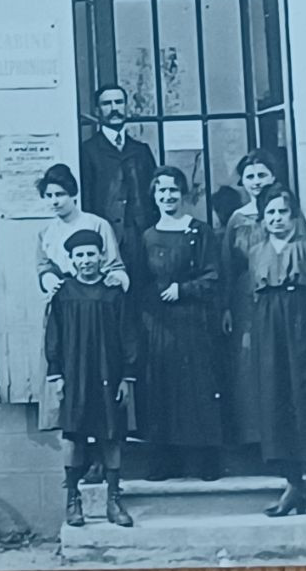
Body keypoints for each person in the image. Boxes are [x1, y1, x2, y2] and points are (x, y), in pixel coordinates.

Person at [245, 184, 306, 519]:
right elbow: (252, 298)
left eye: (282, 212)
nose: (276, 218)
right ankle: (293, 484)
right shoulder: (256, 252)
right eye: (269, 212)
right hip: (269, 330)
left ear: (294, 215)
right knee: (276, 400)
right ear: (262, 218)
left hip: (305, 328)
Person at [136, 165, 225, 481]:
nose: (167, 196)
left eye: (173, 190)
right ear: (154, 196)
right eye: (161, 191)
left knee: (197, 389)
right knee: (162, 389)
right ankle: (165, 462)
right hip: (159, 326)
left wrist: (183, 289)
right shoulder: (148, 235)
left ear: (183, 194)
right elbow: (141, 282)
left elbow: (213, 275)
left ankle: (204, 462)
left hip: (192, 321)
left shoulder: (198, 231)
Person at [44, 228, 137, 529]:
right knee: (75, 436)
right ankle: (73, 500)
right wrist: (56, 373)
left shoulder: (114, 294)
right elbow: (53, 336)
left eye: (91, 254)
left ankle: (113, 499)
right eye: (80, 256)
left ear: (101, 256)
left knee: (111, 436)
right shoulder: (64, 294)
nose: (86, 261)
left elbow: (129, 337)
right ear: (71, 259)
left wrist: (128, 375)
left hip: (109, 373)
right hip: (75, 374)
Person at [220, 150, 306, 448]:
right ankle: (254, 437)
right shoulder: (238, 218)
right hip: (245, 301)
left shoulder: (287, 215)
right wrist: (226, 307)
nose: (256, 182)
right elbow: (227, 266)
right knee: (249, 364)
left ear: (274, 177)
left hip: (282, 300)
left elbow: (304, 256)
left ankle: (286, 439)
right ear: (243, 182)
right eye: (250, 177)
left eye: (262, 175)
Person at [79, 85, 159, 303]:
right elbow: (85, 199)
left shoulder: (141, 151)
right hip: (107, 239)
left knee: (143, 300)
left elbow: (155, 195)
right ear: (97, 110)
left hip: (142, 239)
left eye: (118, 102)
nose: (114, 109)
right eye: (107, 104)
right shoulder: (87, 151)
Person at [35, 163, 129, 295]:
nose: (54, 201)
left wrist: (115, 278)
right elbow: (44, 265)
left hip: (96, 295)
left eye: (60, 194)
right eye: (49, 196)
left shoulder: (97, 224)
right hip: (64, 297)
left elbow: (114, 265)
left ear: (73, 194)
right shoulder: (46, 232)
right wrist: (48, 278)